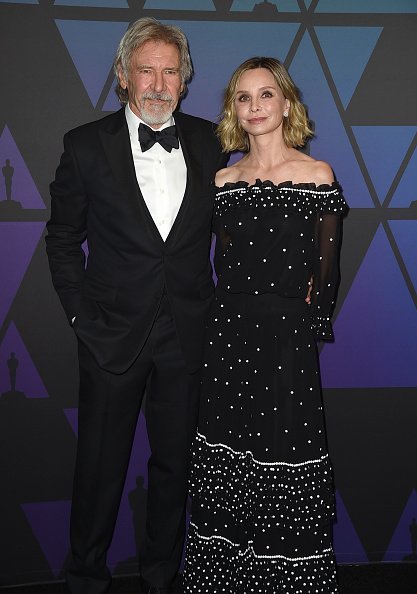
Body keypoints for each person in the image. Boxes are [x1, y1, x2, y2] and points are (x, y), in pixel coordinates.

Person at [45, 17, 227, 594]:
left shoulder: (211, 141)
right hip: (110, 336)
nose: (157, 82)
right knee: (99, 469)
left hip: (188, 335)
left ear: (184, 80)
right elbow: (62, 238)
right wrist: (80, 317)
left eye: (170, 70)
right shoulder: (84, 144)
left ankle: (162, 573)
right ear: (123, 77)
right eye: (145, 69)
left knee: (176, 468)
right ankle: (85, 576)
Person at [183, 57, 347, 593]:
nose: (254, 107)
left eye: (265, 95)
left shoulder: (316, 175)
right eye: (242, 98)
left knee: (285, 454)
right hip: (229, 336)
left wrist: (308, 322)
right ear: (233, 109)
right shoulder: (223, 180)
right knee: (230, 457)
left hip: (286, 342)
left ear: (286, 103)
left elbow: (328, 270)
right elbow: (223, 264)